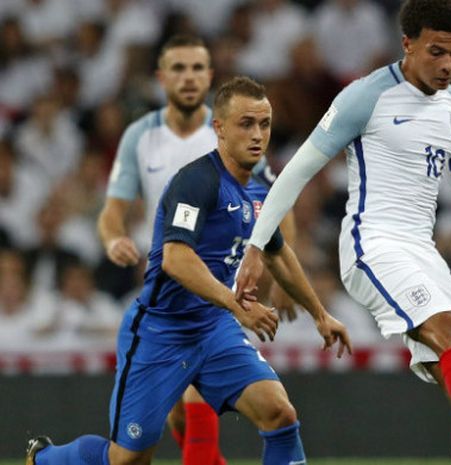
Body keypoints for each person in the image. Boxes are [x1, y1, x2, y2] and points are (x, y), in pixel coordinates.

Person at [235, 1, 451, 465]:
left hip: (422, 250)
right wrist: (257, 245)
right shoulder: (366, 95)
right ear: (408, 44)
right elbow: (295, 172)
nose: (447, 65)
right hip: (371, 244)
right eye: (436, 52)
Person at [26, 76, 352, 465]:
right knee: (126, 459)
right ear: (219, 128)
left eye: (264, 124)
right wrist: (235, 304)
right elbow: (175, 258)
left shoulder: (261, 191)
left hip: (214, 329)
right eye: (246, 123)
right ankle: (45, 458)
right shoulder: (197, 181)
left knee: (280, 414)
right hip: (161, 331)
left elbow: (278, 254)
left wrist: (320, 314)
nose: (258, 134)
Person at [96, 34, 296, 465]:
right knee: (159, 435)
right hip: (163, 285)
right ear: (161, 77)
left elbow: (275, 201)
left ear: (209, 76)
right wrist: (114, 238)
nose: (188, 78)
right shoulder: (140, 137)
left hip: (214, 294)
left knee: (202, 402)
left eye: (197, 68)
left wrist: (282, 279)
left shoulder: (239, 128)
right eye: (179, 68)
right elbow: (111, 211)